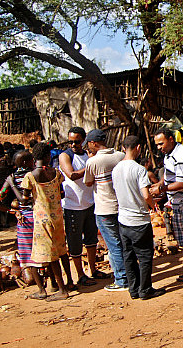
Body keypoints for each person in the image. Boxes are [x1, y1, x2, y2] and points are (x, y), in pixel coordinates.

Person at [113, 135, 165, 300]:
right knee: (144, 256)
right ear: (138, 148)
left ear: (123, 148)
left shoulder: (116, 169)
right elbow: (146, 195)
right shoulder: (139, 169)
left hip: (123, 219)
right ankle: (145, 289)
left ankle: (134, 289)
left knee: (128, 256)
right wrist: (153, 205)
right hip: (139, 220)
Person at [152, 128, 183, 282]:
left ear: (171, 139)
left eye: (161, 143)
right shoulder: (170, 153)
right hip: (180, 198)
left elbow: (182, 183)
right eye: (157, 145)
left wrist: (162, 189)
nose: (159, 147)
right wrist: (161, 184)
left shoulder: (179, 155)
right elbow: (169, 174)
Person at [20, 142, 68, 301]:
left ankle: (57, 290)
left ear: (34, 157)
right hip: (57, 217)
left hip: (42, 220)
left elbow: (24, 200)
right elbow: (62, 193)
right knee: (61, 251)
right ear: (48, 156)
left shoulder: (30, 176)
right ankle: (67, 283)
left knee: (48, 255)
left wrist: (13, 188)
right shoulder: (56, 173)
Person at [83, 129, 128, 292]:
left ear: (93, 143)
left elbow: (88, 182)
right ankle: (128, 274)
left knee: (113, 244)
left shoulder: (93, 162)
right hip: (121, 205)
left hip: (104, 208)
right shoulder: (120, 156)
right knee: (124, 242)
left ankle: (122, 279)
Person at [59, 127, 105, 286]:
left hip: (89, 204)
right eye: (70, 141)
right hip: (73, 207)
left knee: (91, 240)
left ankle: (93, 270)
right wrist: (91, 165)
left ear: (84, 140)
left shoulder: (87, 155)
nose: (73, 144)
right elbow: (71, 175)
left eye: (77, 141)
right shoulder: (65, 156)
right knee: (75, 243)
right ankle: (80, 274)